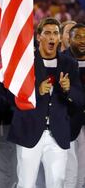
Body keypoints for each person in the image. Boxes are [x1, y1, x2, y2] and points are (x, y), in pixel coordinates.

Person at [8, 17, 84, 188]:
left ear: (59, 38)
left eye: (55, 33)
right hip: (29, 131)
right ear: (38, 37)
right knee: (26, 184)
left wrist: (68, 90)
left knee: (57, 182)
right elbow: (10, 96)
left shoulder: (69, 64)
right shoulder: (26, 62)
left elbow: (80, 99)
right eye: (47, 33)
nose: (51, 37)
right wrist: (36, 92)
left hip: (57, 135)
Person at [63, 23, 85, 188]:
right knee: (69, 171)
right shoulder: (61, 61)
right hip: (67, 121)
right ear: (69, 40)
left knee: (82, 172)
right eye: (78, 37)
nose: (82, 41)